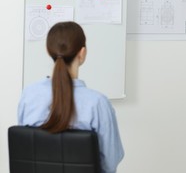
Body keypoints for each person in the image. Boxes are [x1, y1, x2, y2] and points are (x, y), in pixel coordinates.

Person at [18, 21, 124, 173]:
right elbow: (110, 162)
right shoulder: (97, 103)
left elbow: (26, 151)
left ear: (49, 52)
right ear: (82, 53)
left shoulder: (29, 95)